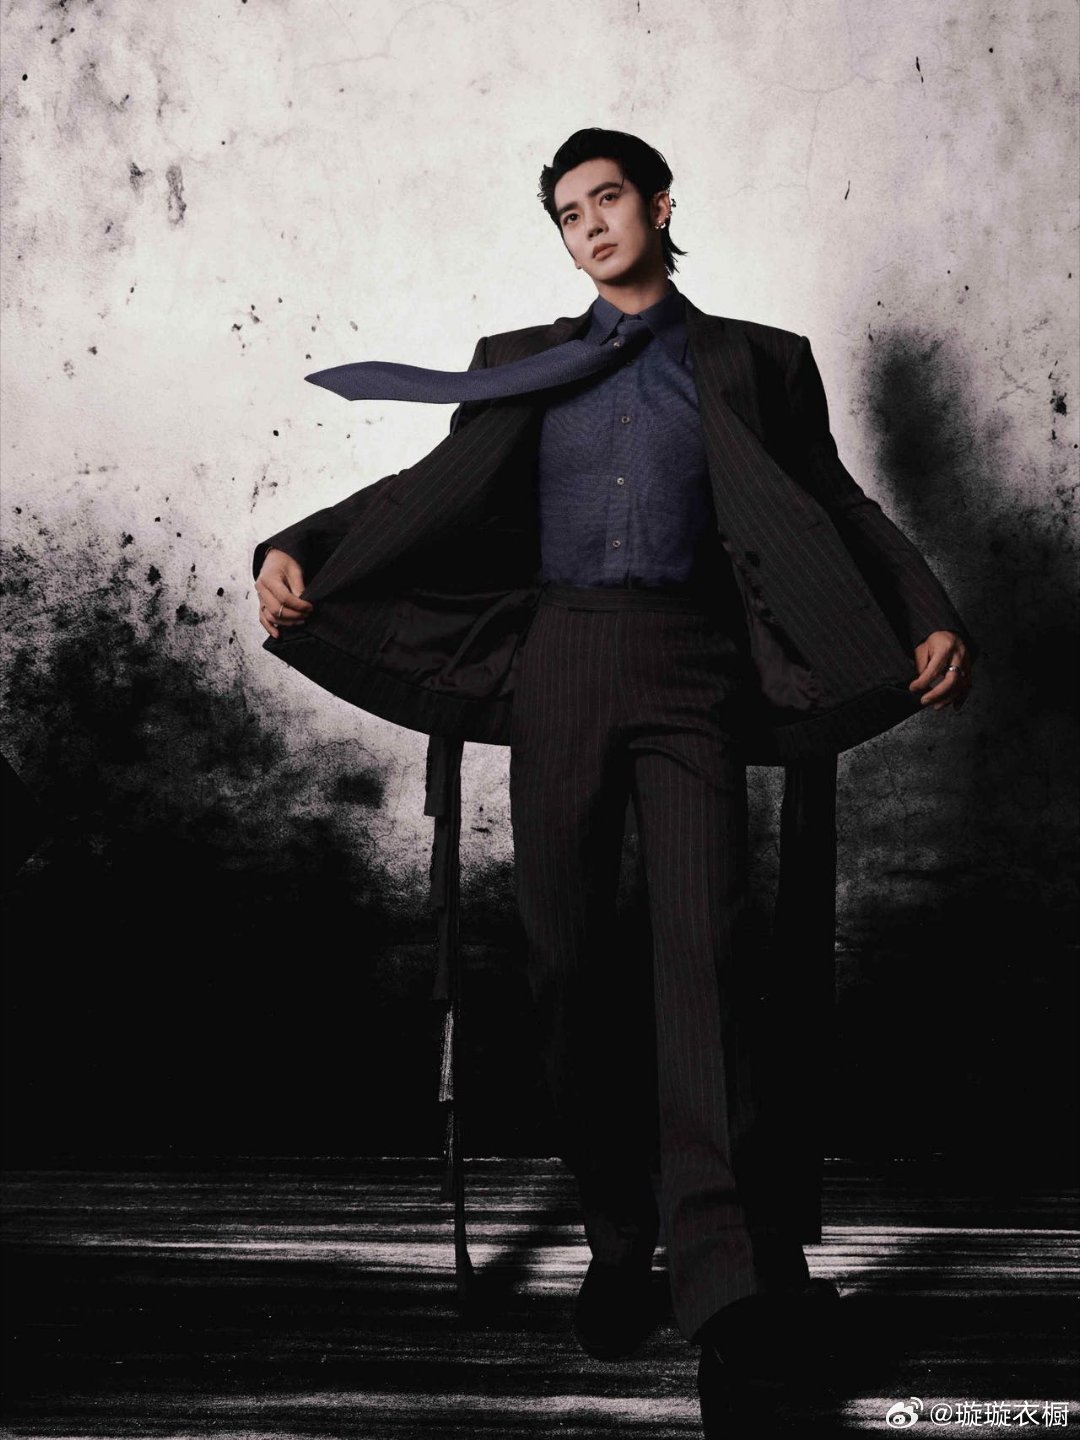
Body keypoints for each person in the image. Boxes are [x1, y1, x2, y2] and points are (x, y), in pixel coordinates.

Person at [251, 127, 976, 1432]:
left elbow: (840, 505)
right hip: (561, 665)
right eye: (567, 212)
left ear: (659, 203)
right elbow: (427, 487)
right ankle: (618, 1241)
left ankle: (727, 1288)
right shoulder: (517, 361)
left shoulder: (757, 360)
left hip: (695, 665)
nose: (589, 224)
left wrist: (926, 607)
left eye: (607, 199)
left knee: (708, 962)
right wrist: (297, 542)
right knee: (569, 965)